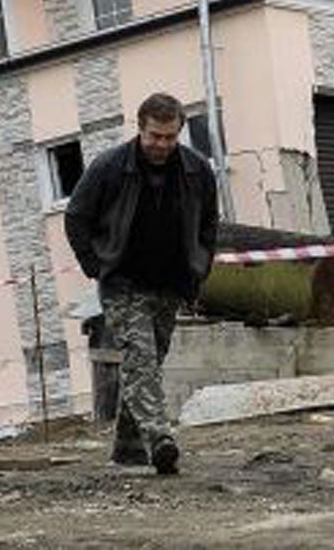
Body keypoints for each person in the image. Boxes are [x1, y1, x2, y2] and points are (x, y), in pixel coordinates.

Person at [64, 93, 219, 476]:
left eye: (169, 137)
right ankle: (159, 440)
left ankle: (126, 449)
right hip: (123, 282)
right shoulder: (110, 167)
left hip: (169, 283)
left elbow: (208, 226)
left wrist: (198, 270)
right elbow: (76, 216)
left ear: (179, 132)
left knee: (147, 364)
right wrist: (95, 266)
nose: (161, 145)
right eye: (155, 136)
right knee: (141, 360)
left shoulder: (197, 170)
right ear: (140, 128)